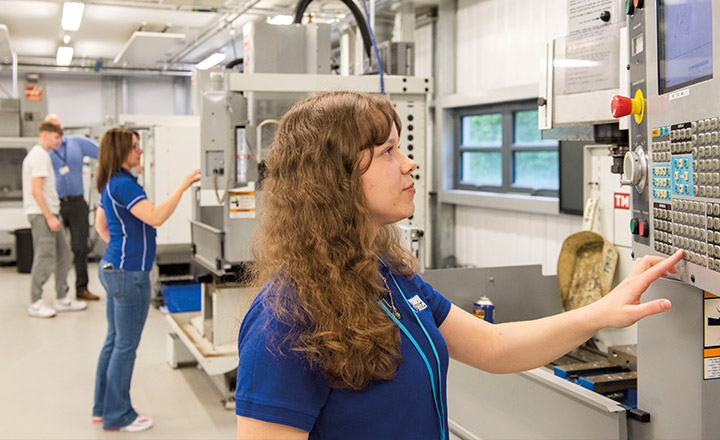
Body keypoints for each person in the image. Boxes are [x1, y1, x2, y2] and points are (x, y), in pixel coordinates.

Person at [234, 91, 684, 440]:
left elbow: (494, 346)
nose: (409, 163)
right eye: (389, 151)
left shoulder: (388, 277)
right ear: (337, 176)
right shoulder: (285, 319)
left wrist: (604, 311)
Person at [92, 127, 200, 432]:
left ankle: (102, 408)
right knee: (125, 346)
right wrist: (182, 187)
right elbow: (155, 216)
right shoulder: (125, 185)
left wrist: (120, 247)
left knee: (114, 342)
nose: (141, 151)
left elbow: (101, 225)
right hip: (129, 274)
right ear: (121, 152)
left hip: (114, 267)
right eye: (136, 147)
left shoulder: (110, 183)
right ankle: (118, 415)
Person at [23, 121, 88, 318]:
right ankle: (35, 302)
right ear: (45, 135)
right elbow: (36, 191)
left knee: (64, 255)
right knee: (45, 257)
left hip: (52, 213)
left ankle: (61, 297)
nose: (59, 141)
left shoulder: (43, 155)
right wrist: (49, 216)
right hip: (43, 215)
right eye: (56, 137)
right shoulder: (39, 156)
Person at [45, 113, 100, 301]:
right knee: (57, 249)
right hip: (56, 204)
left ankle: (81, 288)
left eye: (57, 126)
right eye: (51, 126)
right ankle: (61, 292)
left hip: (77, 203)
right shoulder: (44, 152)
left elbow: (103, 153)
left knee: (80, 247)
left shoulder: (77, 142)